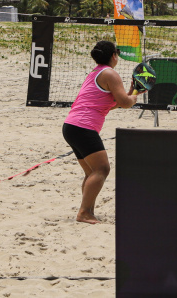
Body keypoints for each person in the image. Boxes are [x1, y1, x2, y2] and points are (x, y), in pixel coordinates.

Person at [62, 40, 143, 224]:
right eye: (117, 52)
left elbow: (110, 105)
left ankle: (87, 211)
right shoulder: (110, 74)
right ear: (114, 55)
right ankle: (84, 212)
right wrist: (135, 96)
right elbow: (124, 103)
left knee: (92, 172)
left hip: (71, 126)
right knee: (102, 169)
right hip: (83, 127)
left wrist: (130, 93)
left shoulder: (95, 72)